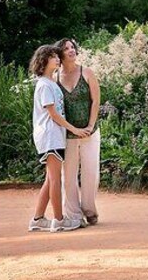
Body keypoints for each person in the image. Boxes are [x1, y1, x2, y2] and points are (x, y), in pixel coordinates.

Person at [27, 44, 90, 233]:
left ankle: (37, 219)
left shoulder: (51, 83)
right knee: (55, 180)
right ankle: (59, 220)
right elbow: (53, 114)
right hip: (50, 137)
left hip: (55, 137)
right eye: (53, 57)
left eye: (57, 56)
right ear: (44, 60)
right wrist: (75, 130)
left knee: (50, 179)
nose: (57, 59)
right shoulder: (44, 85)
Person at [56, 38, 102, 226]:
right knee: (68, 175)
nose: (71, 50)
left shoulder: (87, 72)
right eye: (66, 48)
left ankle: (90, 210)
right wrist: (71, 129)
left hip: (90, 132)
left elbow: (96, 101)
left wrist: (90, 126)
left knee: (91, 171)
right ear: (60, 54)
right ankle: (73, 214)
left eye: (72, 47)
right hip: (67, 134)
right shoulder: (55, 78)